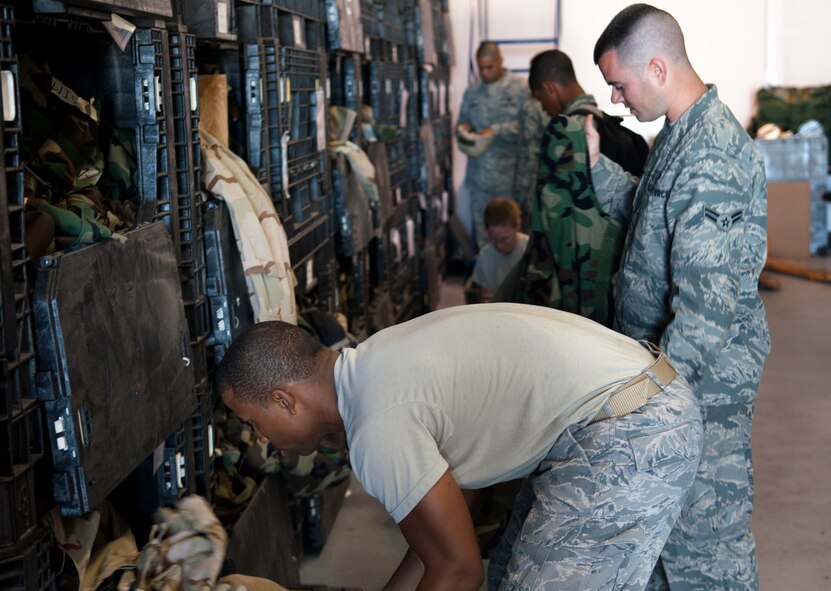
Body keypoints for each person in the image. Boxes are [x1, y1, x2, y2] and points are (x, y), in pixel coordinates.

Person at [218, 304, 704, 590]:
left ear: (284, 400)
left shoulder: (377, 424)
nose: (260, 438)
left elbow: (458, 572)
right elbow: (437, 542)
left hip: (632, 427)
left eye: (253, 421)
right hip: (625, 410)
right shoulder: (371, 368)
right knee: (512, 574)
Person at [586, 5, 771, 589]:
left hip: (700, 384)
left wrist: (648, 402)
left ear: (658, 69)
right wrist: (596, 166)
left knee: (705, 546)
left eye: (620, 84)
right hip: (672, 376)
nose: (616, 99)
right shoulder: (681, 133)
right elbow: (652, 216)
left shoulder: (710, 154)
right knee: (665, 535)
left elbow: (705, 312)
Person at [457, 41, 542, 249]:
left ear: (500, 61)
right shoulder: (472, 93)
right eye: (481, 68)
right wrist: (463, 129)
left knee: (515, 241)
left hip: (511, 181)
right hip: (480, 181)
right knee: (485, 240)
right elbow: (461, 123)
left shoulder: (520, 89)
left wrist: (496, 130)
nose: (485, 73)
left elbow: (530, 129)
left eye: (490, 67)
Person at [527, 49, 649, 176]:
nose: (543, 108)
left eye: (539, 99)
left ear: (549, 89)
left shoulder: (569, 129)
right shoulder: (604, 120)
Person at [468, 198, 529, 302]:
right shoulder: (485, 257)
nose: (499, 246)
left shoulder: (529, 250)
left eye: (505, 239)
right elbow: (484, 296)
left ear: (518, 225)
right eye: (493, 239)